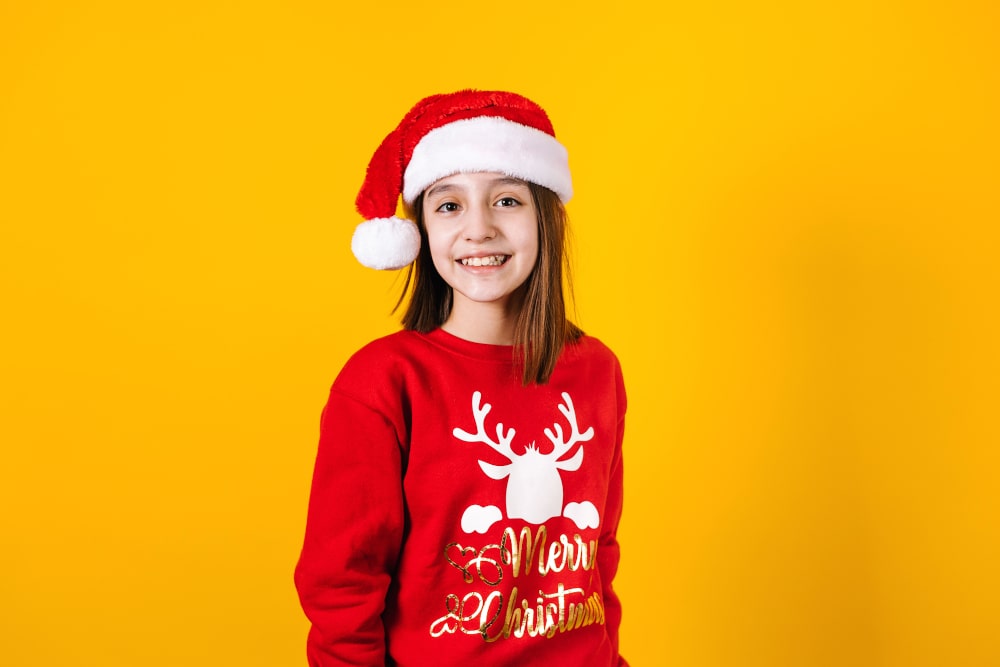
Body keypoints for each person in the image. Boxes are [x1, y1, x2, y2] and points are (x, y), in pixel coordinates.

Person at [294, 90, 628, 666]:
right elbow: (342, 580)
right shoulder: (382, 382)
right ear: (421, 228)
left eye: (507, 200)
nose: (479, 229)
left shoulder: (598, 371)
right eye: (449, 205)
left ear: (545, 217)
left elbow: (597, 554)